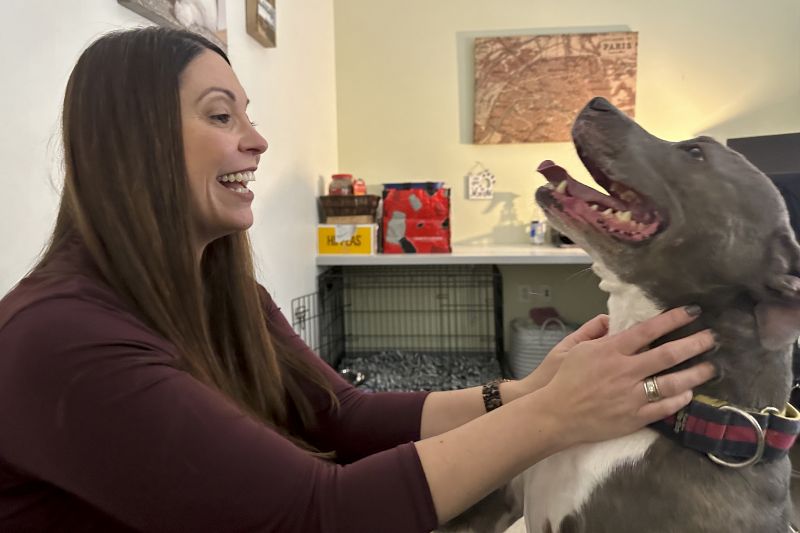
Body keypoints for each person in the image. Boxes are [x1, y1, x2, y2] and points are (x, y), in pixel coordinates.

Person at [0, 27, 716, 532]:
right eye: (222, 115)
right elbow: (320, 513)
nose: (257, 139)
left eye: (249, 114)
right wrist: (556, 415)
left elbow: (339, 414)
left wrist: (524, 392)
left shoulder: (226, 298)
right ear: (135, 143)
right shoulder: (59, 342)